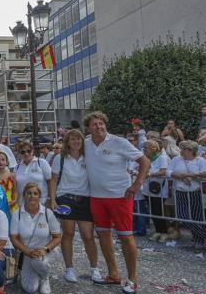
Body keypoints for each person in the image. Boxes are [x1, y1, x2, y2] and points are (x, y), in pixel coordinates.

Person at [84, 111, 150, 293]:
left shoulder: (119, 142)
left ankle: (133, 279)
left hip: (120, 197)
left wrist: (137, 184)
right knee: (104, 236)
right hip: (96, 198)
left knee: (126, 236)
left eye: (101, 123)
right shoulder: (86, 143)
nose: (99, 127)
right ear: (88, 128)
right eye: (94, 124)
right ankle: (113, 275)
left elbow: (144, 161)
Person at [47, 129, 101, 283]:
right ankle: (69, 269)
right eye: (72, 139)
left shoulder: (88, 157)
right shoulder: (60, 158)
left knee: (88, 236)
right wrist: (52, 199)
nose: (76, 142)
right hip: (65, 198)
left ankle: (94, 269)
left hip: (85, 198)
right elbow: (53, 178)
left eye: (78, 139)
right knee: (68, 233)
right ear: (67, 142)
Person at [11, 182, 62, 294]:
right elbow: (14, 238)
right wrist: (28, 251)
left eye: (35, 193)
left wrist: (45, 249)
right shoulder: (17, 214)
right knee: (30, 289)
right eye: (29, 193)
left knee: (39, 262)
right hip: (28, 252)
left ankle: (45, 278)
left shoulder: (48, 213)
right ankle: (37, 273)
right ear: (24, 195)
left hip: (47, 251)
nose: (32, 196)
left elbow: (58, 237)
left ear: (39, 196)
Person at [166, 140, 206, 249]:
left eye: (183, 149)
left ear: (191, 151)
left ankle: (199, 241)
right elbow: (168, 172)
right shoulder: (176, 159)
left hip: (195, 192)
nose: (181, 151)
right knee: (182, 216)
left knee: (197, 217)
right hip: (180, 192)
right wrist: (178, 175)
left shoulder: (200, 161)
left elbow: (204, 174)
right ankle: (204, 236)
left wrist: (189, 175)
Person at [140, 140, 170, 242]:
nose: (144, 150)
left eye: (146, 148)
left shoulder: (162, 157)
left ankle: (164, 232)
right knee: (152, 211)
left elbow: (163, 171)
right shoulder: (146, 158)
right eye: (143, 148)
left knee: (159, 211)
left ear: (153, 148)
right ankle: (157, 231)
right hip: (148, 188)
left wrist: (150, 174)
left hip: (159, 190)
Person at [14, 141, 52, 207]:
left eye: (28, 151)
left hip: (42, 203)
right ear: (19, 153)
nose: (26, 154)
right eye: (23, 152)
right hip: (22, 205)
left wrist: (50, 199)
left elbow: (50, 181)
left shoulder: (42, 163)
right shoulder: (16, 167)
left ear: (33, 151)